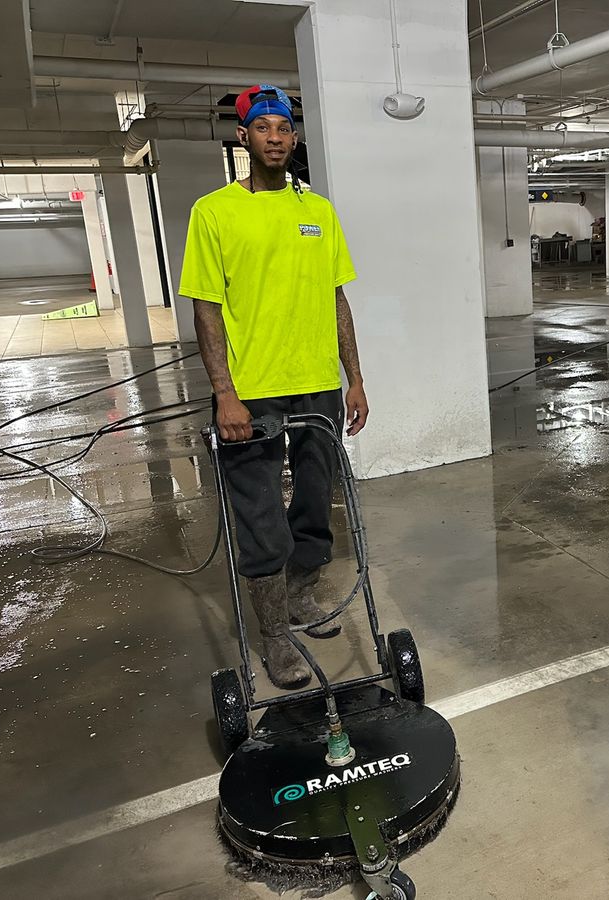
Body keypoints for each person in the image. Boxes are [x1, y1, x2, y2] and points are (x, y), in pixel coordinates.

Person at [179, 84, 369, 688]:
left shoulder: (318, 211)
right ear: (244, 137)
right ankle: (273, 635)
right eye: (264, 128)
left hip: (316, 384)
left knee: (317, 501)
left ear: (294, 136)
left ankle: (300, 592)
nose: (276, 138)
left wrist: (355, 381)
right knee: (260, 515)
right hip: (250, 390)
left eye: (284, 128)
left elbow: (337, 297)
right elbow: (206, 310)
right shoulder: (214, 213)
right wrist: (224, 392)